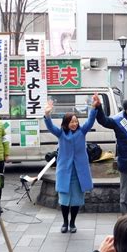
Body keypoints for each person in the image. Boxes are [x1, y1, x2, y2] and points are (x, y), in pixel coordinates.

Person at [43, 95, 99, 233]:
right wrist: (47, 114)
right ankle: (65, 222)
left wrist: (93, 107)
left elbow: (91, 121)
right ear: (66, 123)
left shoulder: (82, 131)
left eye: (76, 121)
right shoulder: (61, 133)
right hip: (65, 171)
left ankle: (73, 223)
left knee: (76, 200)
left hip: (79, 172)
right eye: (71, 122)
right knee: (64, 199)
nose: (74, 124)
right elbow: (50, 127)